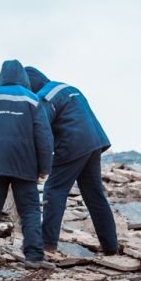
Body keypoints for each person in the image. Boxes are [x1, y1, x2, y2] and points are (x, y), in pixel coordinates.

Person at [0, 60, 54, 270]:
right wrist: (44, 168)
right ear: (23, 78)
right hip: (24, 162)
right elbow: (43, 136)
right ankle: (34, 256)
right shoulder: (32, 100)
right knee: (30, 211)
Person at [24, 66, 118, 255]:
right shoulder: (65, 87)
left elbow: (41, 130)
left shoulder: (43, 97)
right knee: (94, 195)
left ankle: (47, 243)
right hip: (94, 143)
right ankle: (110, 247)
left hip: (73, 144)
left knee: (54, 189)